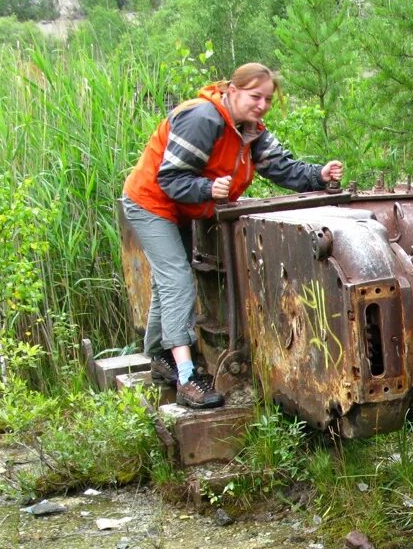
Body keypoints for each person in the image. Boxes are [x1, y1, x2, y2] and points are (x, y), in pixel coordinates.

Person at [122, 62, 344, 409]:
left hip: (184, 207)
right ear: (233, 90)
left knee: (169, 282)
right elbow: (170, 178)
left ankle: (159, 355)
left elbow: (280, 167)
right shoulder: (203, 119)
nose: (262, 105)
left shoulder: (249, 129)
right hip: (151, 203)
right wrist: (209, 188)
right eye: (255, 96)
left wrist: (319, 175)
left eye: (268, 99)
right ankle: (185, 377)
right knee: (177, 281)